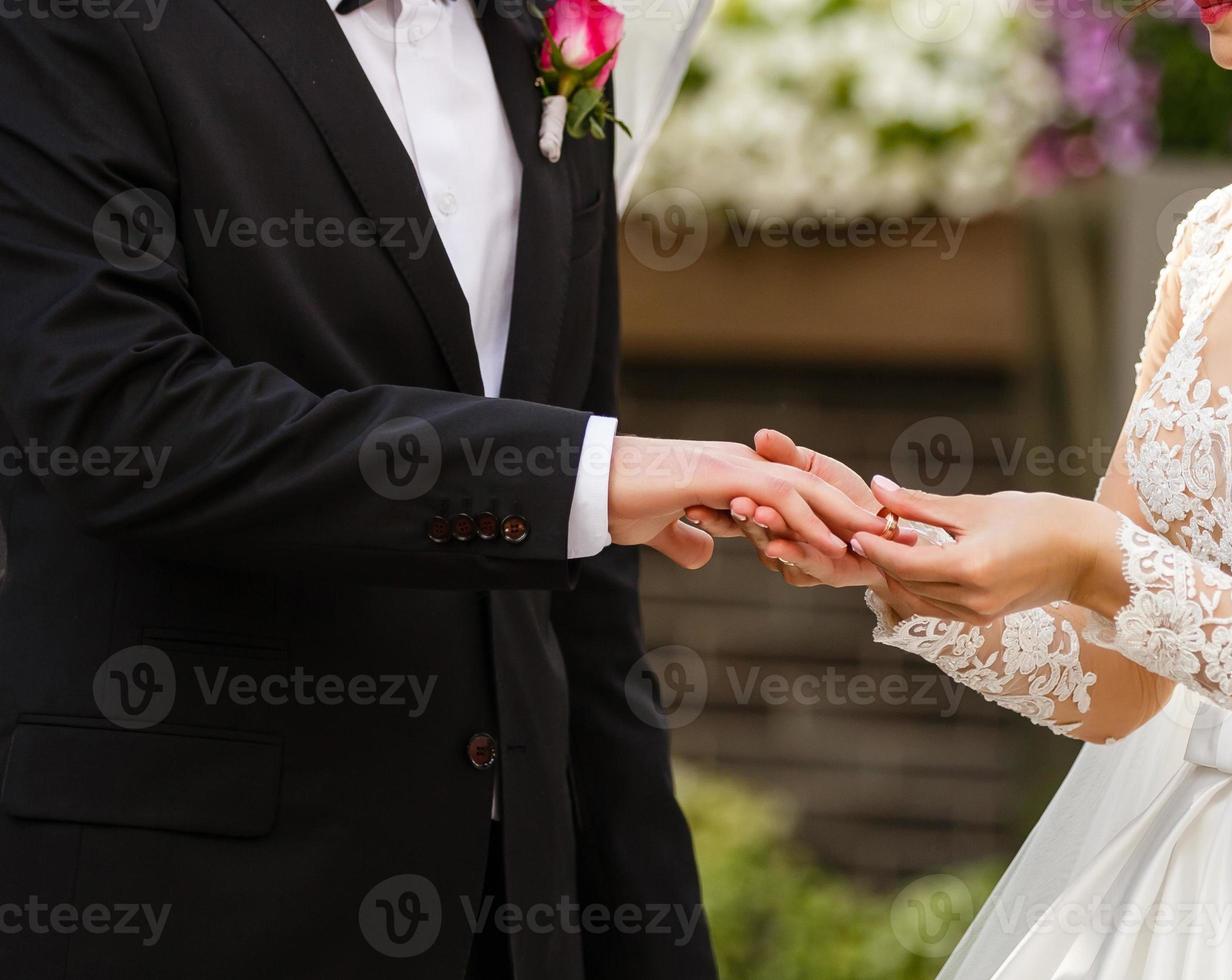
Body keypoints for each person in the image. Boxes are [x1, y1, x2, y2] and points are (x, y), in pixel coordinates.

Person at [0, 2, 879, 977]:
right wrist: (579, 471)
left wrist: (653, 933)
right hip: (190, 898)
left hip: (518, 907)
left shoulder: (547, 31)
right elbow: (122, 420)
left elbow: (583, 585)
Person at [702, 0, 1232, 974]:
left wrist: (1095, 557)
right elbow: (1118, 680)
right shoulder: (1219, 234)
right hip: (1187, 893)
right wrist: (890, 549)